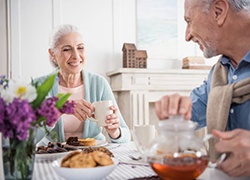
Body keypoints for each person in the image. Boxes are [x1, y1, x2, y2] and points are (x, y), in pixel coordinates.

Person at [155, 0, 250, 177]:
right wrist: (175, 109)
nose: (187, 36)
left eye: (189, 21)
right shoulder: (220, 73)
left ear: (218, 12)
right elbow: (191, 112)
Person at [35, 24, 130, 145]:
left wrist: (115, 132)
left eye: (80, 48)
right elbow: (26, 140)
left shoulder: (99, 83)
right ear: (53, 54)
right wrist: (58, 110)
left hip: (92, 156)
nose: (76, 56)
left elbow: (126, 136)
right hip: (53, 157)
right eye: (66, 49)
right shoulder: (39, 86)